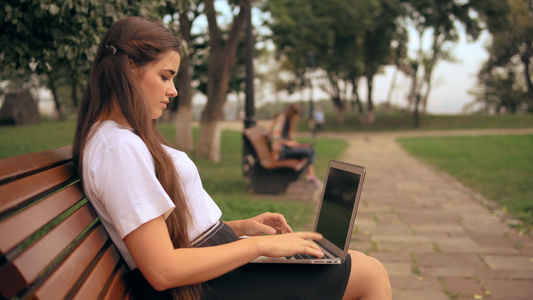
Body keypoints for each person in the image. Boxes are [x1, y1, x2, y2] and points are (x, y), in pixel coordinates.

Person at [72, 16, 391, 300]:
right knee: (368, 272)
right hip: (203, 286)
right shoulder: (118, 149)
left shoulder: (119, 139)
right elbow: (163, 269)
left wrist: (241, 228)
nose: (174, 90)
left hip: (212, 269)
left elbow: (169, 233)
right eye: (166, 76)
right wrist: (261, 246)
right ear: (130, 68)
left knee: (351, 263)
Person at [269, 104, 322, 186]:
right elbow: (275, 137)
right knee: (308, 152)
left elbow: (291, 141)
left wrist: (301, 145)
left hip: (287, 149)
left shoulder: (288, 122)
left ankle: (311, 176)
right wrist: (287, 143)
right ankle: (310, 176)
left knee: (311, 148)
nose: (296, 118)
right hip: (281, 152)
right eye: (296, 115)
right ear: (292, 114)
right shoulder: (282, 120)